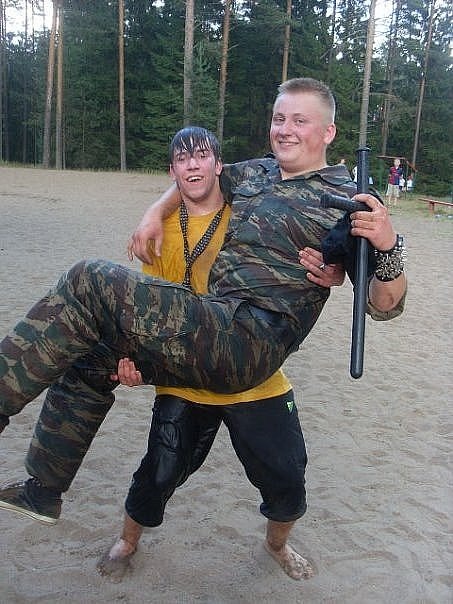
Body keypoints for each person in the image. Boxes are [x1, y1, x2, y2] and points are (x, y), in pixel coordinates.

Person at [0, 77, 406, 570]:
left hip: (250, 340)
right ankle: (43, 488)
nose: (285, 129)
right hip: (210, 326)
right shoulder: (255, 172)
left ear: (328, 132)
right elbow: (193, 180)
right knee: (91, 355)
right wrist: (154, 213)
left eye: (300, 120)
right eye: (279, 118)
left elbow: (384, 305)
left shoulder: (349, 199)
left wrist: (388, 246)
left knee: (88, 279)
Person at [93, 126, 344, 581]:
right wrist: (132, 364)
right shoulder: (160, 234)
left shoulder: (251, 214)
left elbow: (314, 248)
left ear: (219, 165)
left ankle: (277, 545)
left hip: (256, 377)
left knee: (287, 477)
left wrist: (334, 268)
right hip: (187, 377)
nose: (193, 165)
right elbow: (151, 313)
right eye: (182, 159)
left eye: (202, 156)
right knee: (158, 472)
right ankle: (128, 540)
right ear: (172, 171)